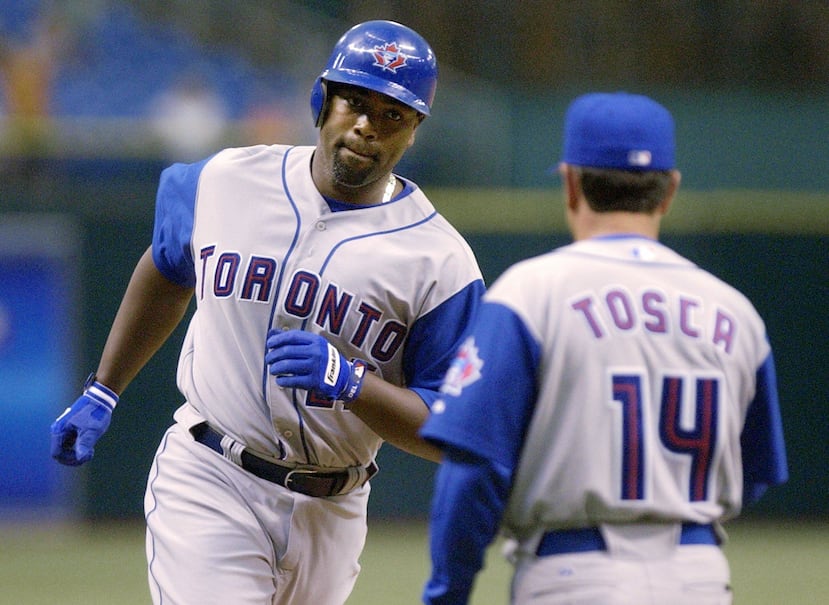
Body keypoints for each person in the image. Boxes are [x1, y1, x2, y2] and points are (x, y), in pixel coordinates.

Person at [50, 20, 485, 605]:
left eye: (393, 115)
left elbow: (450, 428)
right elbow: (167, 265)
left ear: (413, 133)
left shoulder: (442, 263)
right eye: (355, 102)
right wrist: (104, 388)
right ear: (320, 101)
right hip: (211, 474)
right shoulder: (225, 180)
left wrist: (353, 383)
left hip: (335, 510)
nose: (367, 126)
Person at [419, 92, 788, 604]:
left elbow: (474, 468)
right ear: (670, 191)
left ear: (570, 183)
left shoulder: (531, 294)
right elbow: (756, 471)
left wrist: (448, 591)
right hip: (699, 575)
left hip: (575, 575)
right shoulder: (736, 313)